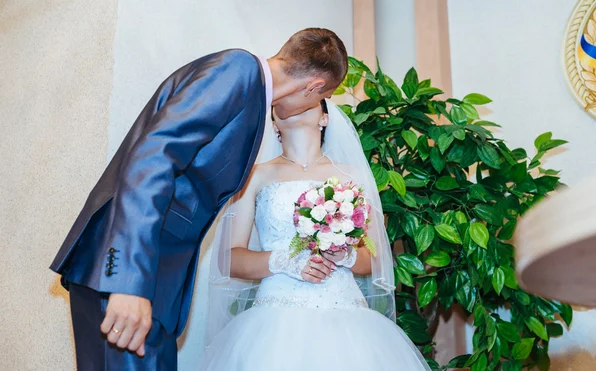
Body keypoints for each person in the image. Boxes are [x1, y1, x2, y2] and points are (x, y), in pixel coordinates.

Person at [49, 28, 348, 370]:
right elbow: (153, 158)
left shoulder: (251, 96)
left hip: (156, 284)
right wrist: (129, 283)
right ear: (314, 88)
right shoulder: (237, 70)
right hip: (130, 275)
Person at [201, 100, 431, 370]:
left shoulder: (352, 175)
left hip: (348, 320)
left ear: (324, 118)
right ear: (274, 123)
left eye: (306, 98)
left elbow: (375, 258)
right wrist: (287, 262)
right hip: (274, 323)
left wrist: (346, 255)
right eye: (282, 101)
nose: (294, 101)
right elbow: (229, 259)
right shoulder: (253, 177)